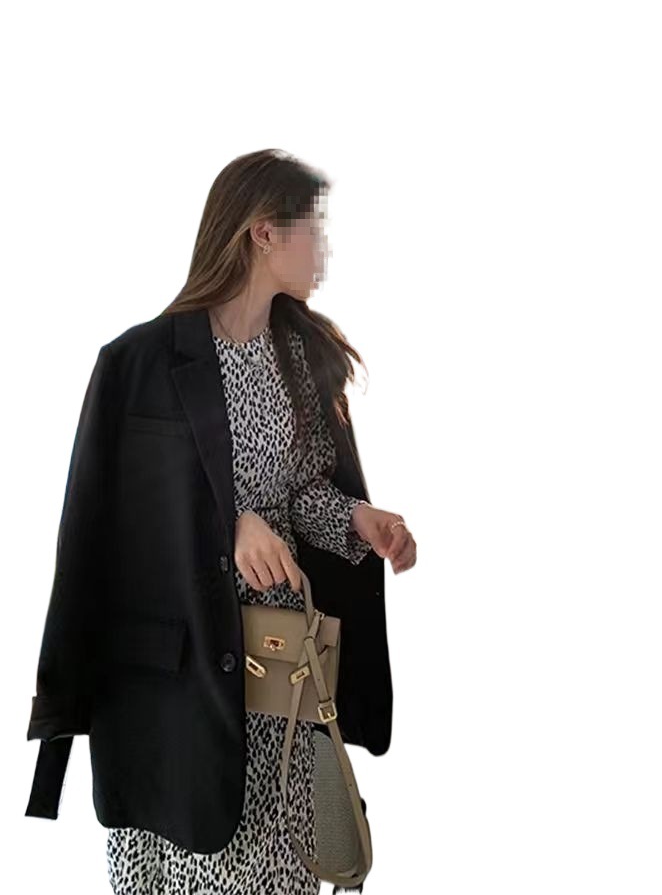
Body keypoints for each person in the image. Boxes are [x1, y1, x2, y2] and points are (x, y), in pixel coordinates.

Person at [25, 148, 416, 895]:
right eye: (313, 230)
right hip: (177, 691)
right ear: (263, 233)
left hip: (281, 682)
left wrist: (357, 519)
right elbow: (106, 525)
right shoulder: (138, 363)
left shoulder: (302, 358)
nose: (324, 249)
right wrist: (227, 527)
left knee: (284, 870)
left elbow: (300, 493)